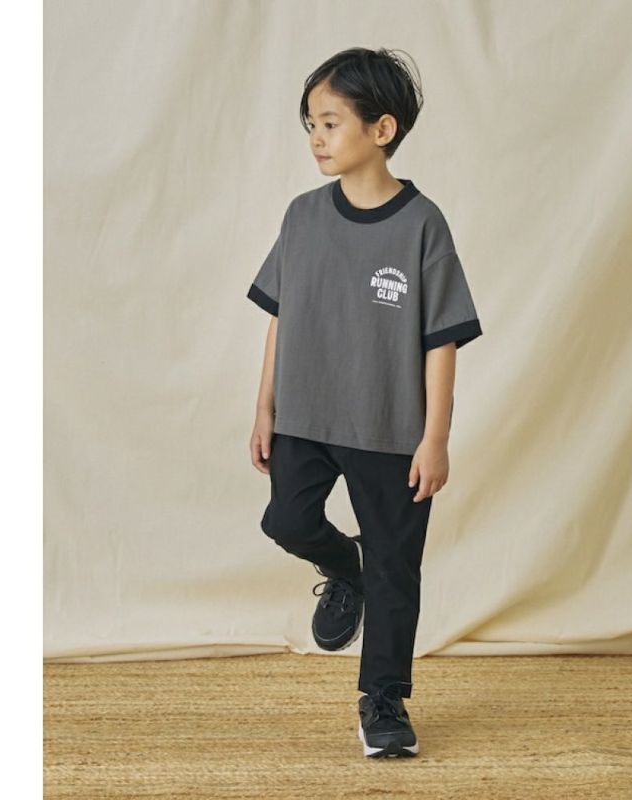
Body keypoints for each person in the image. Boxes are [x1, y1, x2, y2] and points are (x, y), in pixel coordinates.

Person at [246, 47, 482, 758]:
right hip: (306, 416)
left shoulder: (423, 225)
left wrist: (434, 437)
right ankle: (342, 567)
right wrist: (264, 408)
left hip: (391, 430)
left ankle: (383, 700)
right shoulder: (302, 217)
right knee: (287, 520)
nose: (316, 138)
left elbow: (441, 340)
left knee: (395, 568)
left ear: (382, 130)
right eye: (310, 125)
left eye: (330, 122)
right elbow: (280, 318)